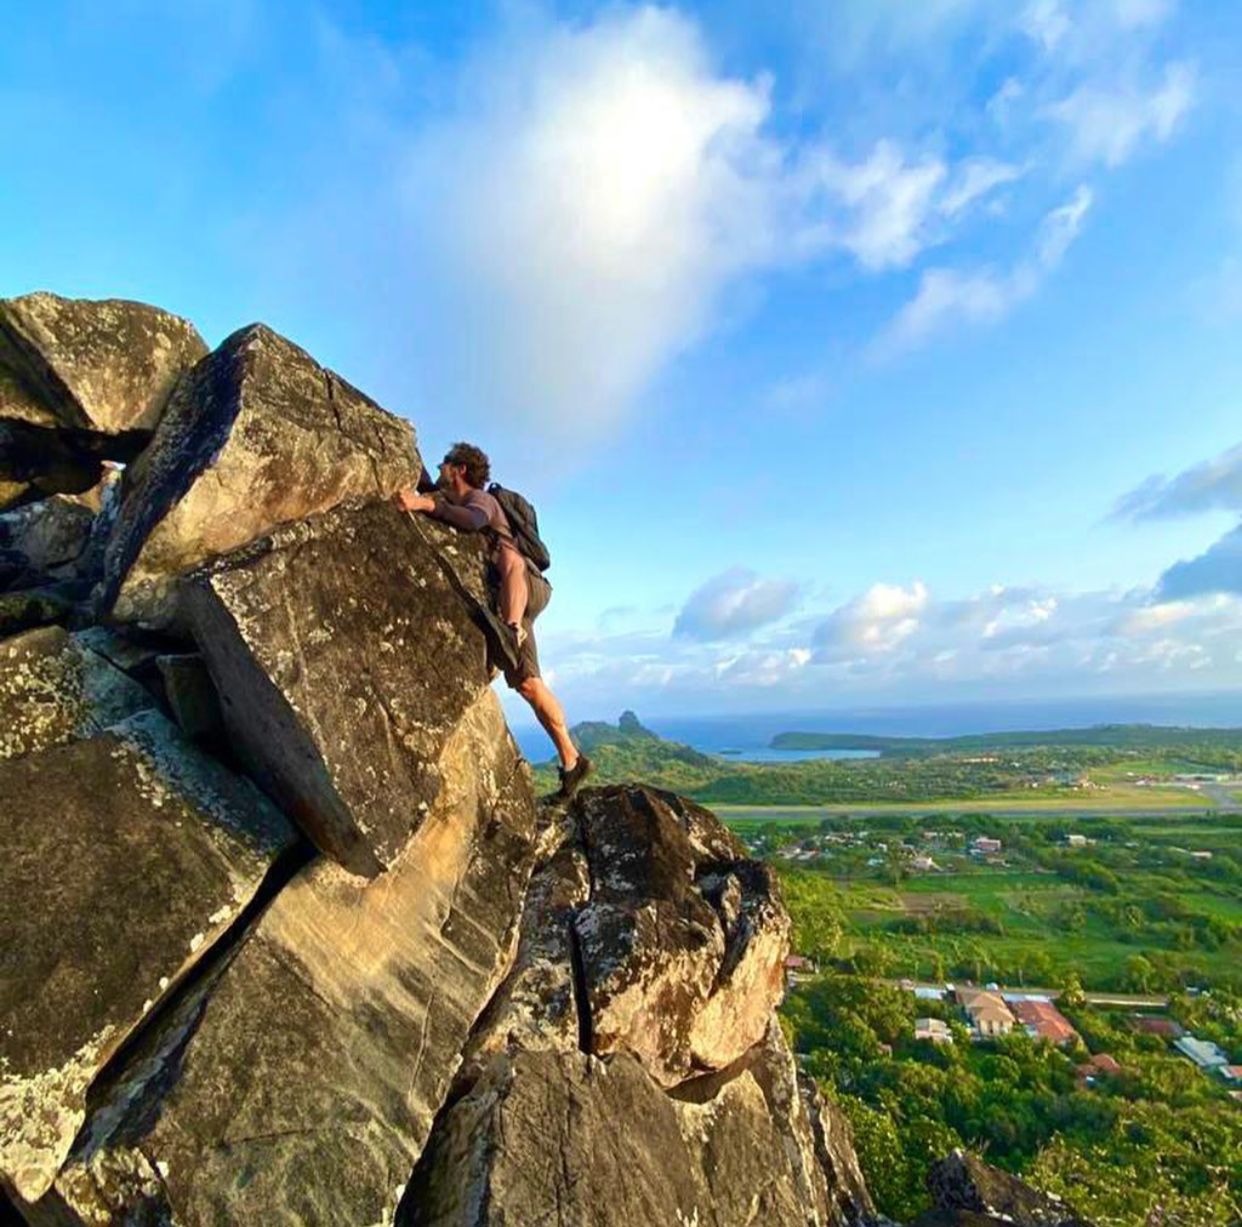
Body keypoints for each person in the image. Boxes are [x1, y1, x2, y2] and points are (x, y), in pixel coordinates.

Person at [394, 442, 593, 801]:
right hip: (511, 596)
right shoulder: (449, 495)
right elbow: (425, 484)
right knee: (529, 685)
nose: (440, 467)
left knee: (509, 559)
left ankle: (511, 629)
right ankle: (572, 760)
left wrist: (425, 504)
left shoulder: (484, 501)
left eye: (445, 463)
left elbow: (472, 522)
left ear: (460, 470)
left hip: (524, 586)